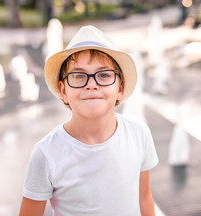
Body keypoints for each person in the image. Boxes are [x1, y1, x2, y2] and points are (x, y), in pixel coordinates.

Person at [19, 25, 158, 216]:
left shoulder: (139, 134)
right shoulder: (46, 153)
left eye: (103, 75)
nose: (91, 84)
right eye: (78, 76)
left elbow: (144, 198)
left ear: (120, 88)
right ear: (63, 91)